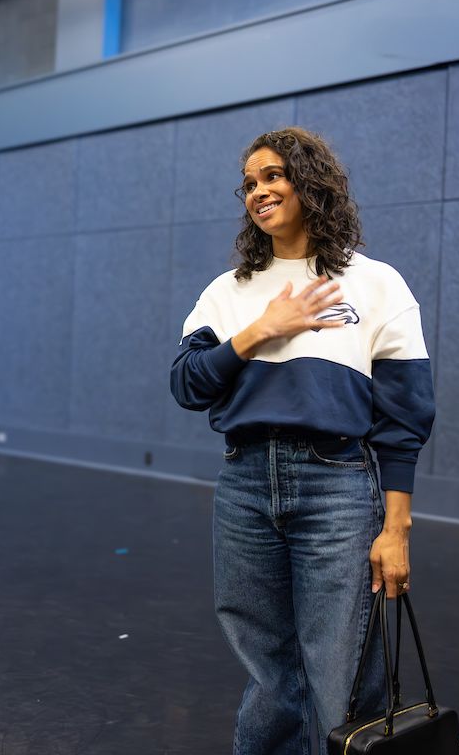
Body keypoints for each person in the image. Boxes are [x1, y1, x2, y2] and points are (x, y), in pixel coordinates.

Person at [169, 127, 434, 754]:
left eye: (273, 176)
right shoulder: (228, 291)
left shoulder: (375, 284)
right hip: (244, 483)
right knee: (268, 666)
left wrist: (396, 530)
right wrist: (260, 330)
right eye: (250, 184)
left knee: (342, 665)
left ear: (310, 181)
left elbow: (404, 419)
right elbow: (186, 384)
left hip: (337, 483)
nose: (258, 192)